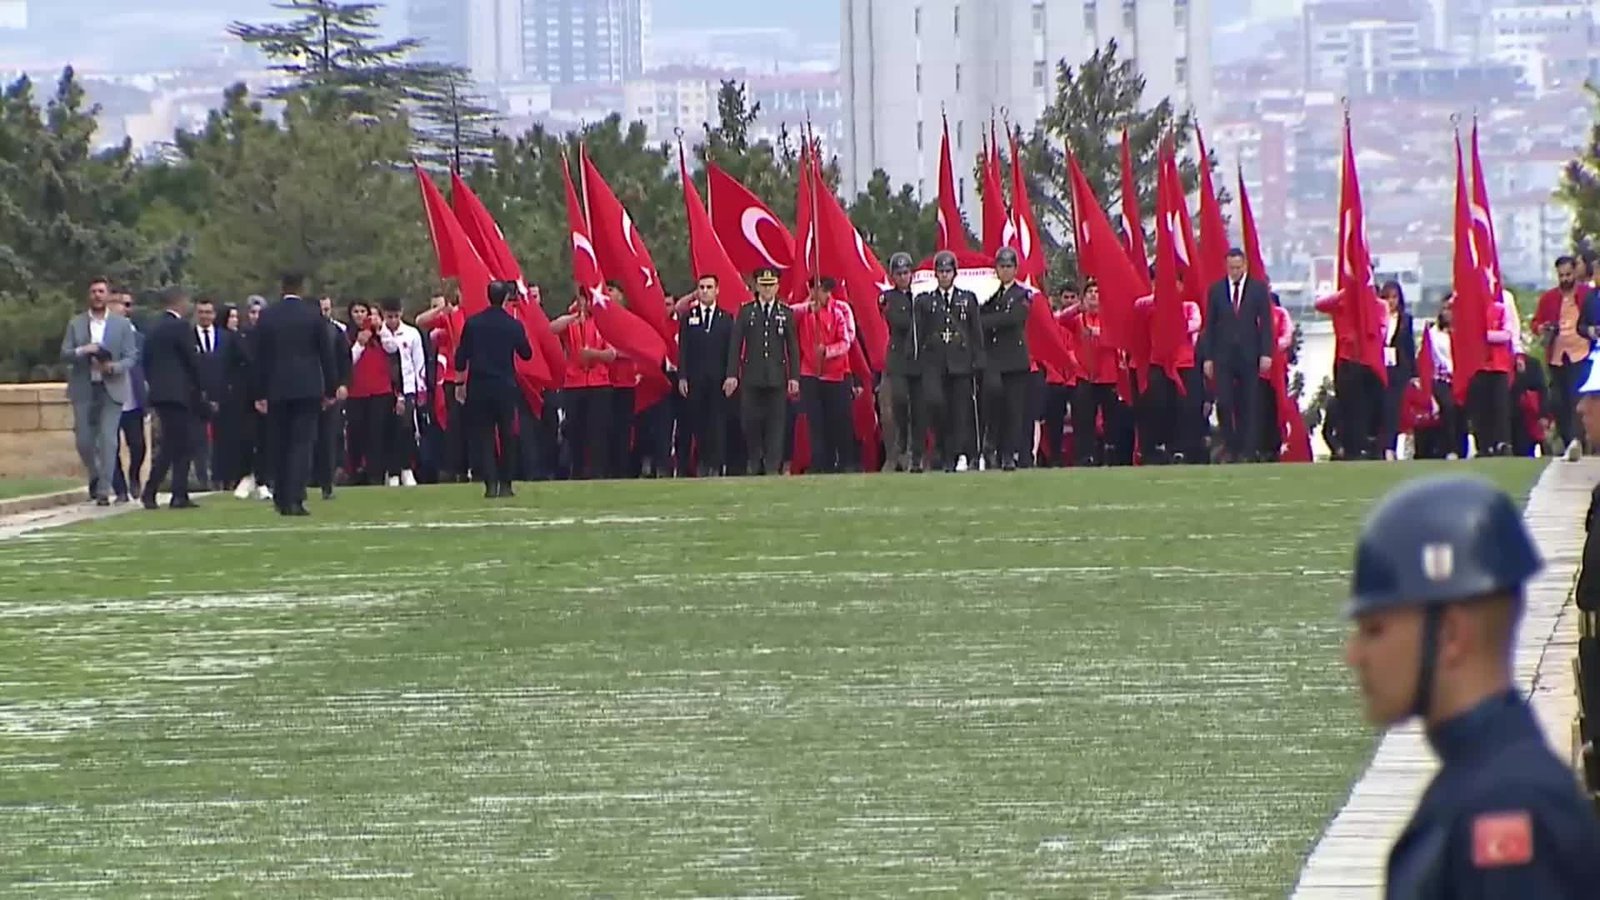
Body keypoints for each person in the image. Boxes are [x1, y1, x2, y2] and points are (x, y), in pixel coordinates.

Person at [1343, 474, 1600, 896]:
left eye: (1374, 629)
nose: (1353, 655)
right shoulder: (1482, 785)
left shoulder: (1507, 809)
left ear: (1450, 635)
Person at [252, 273, 338, 517]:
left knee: (279, 443)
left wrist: (259, 392)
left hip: (277, 388)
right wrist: (330, 388)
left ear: (282, 287)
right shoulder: (313, 315)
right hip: (307, 387)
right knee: (302, 444)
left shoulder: (268, 316)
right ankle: (296, 498)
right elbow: (326, 354)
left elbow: (259, 357)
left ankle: (281, 497)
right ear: (302, 288)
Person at [60, 277, 141, 506]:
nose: (97, 295)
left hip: (111, 386)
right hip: (84, 386)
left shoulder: (121, 325)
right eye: (93, 291)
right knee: (84, 440)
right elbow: (64, 353)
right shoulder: (76, 323)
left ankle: (105, 489)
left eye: (101, 291)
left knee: (108, 440)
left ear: (107, 296)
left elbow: (131, 356)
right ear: (89, 295)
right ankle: (95, 474)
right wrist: (82, 350)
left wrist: (113, 366)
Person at [455, 280, 534, 498]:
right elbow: (527, 353)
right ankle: (506, 484)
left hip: (479, 386)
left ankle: (490, 484)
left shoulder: (473, 323)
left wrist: (460, 382)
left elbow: (461, 357)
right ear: (507, 298)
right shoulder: (513, 325)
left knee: (484, 436)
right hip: (505, 386)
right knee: (507, 435)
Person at [1200, 249, 1274, 462]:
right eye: (1231, 268)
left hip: (1249, 355)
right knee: (1224, 401)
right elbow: (1210, 326)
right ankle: (1230, 446)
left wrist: (1266, 353)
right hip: (1223, 356)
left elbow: (1266, 324)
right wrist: (1208, 357)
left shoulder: (1258, 290)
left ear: (1245, 266)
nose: (1234, 271)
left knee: (1248, 403)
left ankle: (1247, 450)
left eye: (1238, 267)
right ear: (1226, 267)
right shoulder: (1216, 290)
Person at [725, 266, 800, 475]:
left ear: (777, 286)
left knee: (776, 424)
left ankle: (771, 466)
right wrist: (732, 374)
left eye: (771, 285)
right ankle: (754, 459)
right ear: (756, 286)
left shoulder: (785, 313)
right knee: (751, 421)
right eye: (763, 286)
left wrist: (794, 377)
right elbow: (735, 344)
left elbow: (793, 348)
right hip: (752, 376)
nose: (767, 290)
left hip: (777, 377)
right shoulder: (747, 311)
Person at [917, 250, 985, 472]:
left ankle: (955, 455)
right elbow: (919, 332)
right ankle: (942, 449)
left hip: (961, 363)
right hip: (935, 363)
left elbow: (975, 332)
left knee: (960, 411)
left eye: (948, 271)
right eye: (941, 271)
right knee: (937, 406)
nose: (944, 275)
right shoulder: (926, 301)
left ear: (955, 273)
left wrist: (978, 359)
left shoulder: (967, 299)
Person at [139, 287, 205, 510]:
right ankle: (165, 492)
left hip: (161, 393)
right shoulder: (180, 327)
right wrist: (202, 387)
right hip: (179, 393)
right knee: (177, 444)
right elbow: (191, 359)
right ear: (178, 302)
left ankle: (174, 491)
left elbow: (145, 360)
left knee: (175, 443)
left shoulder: (153, 328)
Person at [1532, 255, 1600, 462]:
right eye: (1561, 275)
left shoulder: (1587, 294)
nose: (1565, 279)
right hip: (1557, 355)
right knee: (1558, 401)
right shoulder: (1549, 298)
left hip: (1581, 353)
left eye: (1568, 274)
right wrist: (1542, 328)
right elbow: (1536, 323)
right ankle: (1567, 440)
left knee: (1577, 401)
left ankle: (1578, 442)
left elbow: (1586, 321)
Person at [982, 247, 1034, 471]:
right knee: (995, 406)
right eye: (1001, 267)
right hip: (993, 359)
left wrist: (988, 319)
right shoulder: (989, 293)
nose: (1005, 271)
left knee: (1014, 410)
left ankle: (1008, 455)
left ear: (1015, 269)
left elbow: (1013, 318)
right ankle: (991, 447)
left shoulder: (1023, 294)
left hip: (1014, 359)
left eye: (1009, 267)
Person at [678, 273, 734, 476]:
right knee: (698, 422)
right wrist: (682, 376)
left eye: (709, 287)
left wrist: (731, 375)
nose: (705, 291)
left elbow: (731, 351)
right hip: (696, 379)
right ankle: (701, 462)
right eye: (702, 287)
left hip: (719, 380)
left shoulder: (726, 318)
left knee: (717, 423)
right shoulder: (688, 318)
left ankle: (716, 464)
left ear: (717, 290)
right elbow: (683, 349)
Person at [879, 252, 920, 471]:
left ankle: (913, 453)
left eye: (906, 272)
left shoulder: (919, 295)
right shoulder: (888, 298)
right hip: (898, 359)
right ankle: (898, 452)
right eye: (899, 273)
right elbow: (898, 320)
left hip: (918, 359)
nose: (903, 277)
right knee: (898, 404)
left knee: (919, 408)